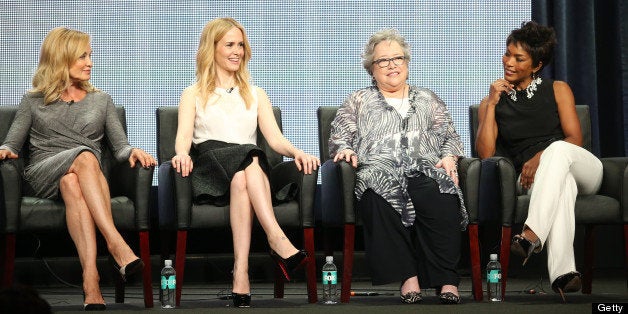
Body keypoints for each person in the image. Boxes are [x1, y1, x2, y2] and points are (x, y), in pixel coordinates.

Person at [0, 27, 156, 310]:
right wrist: (5, 150)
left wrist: (133, 151)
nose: (90, 63)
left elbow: (120, 147)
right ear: (61, 58)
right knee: (85, 157)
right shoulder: (32, 100)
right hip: (44, 171)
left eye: (90, 55)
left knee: (73, 181)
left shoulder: (101, 100)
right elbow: (12, 143)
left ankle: (91, 281)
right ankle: (116, 244)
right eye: (82, 56)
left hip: (85, 177)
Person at [170, 18, 320, 308]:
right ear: (211, 49)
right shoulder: (193, 94)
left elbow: (275, 139)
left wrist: (297, 151)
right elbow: (183, 138)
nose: (237, 51)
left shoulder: (255, 93)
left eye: (240, 44)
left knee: (245, 169)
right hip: (211, 167)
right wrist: (181, 154)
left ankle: (241, 272)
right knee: (250, 156)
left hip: (246, 169)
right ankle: (276, 238)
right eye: (229, 44)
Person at [328, 28, 467, 305]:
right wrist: (344, 148)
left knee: (440, 191)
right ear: (371, 68)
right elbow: (339, 136)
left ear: (407, 62)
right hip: (378, 168)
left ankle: (446, 279)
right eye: (383, 61)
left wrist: (450, 156)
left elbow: (450, 137)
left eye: (398, 58)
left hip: (424, 166)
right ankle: (408, 277)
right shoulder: (358, 100)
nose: (392, 65)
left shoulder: (428, 99)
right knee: (377, 192)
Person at [475, 21, 603, 301]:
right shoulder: (491, 101)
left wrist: (540, 156)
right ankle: (565, 275)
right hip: (536, 180)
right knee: (563, 185)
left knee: (557, 150)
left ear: (536, 64)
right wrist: (492, 105)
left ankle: (532, 234)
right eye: (507, 54)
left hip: (581, 167)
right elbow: (485, 154)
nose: (508, 62)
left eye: (518, 58)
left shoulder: (558, 89)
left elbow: (574, 140)